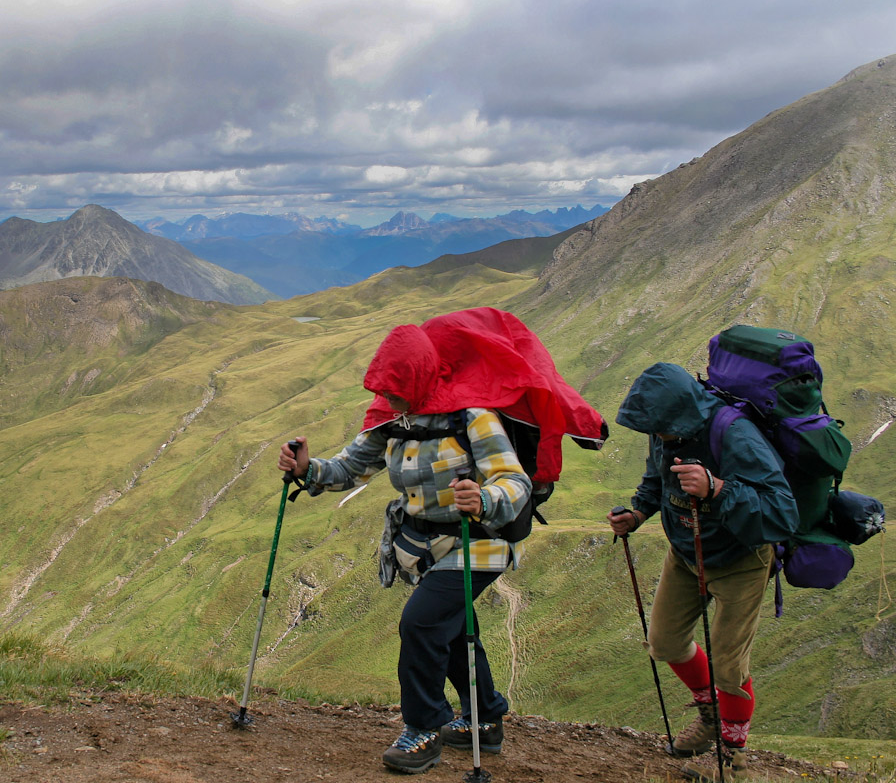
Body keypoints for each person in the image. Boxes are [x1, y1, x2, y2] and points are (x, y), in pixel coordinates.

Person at [277, 309, 605, 775]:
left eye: (395, 389)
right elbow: (352, 468)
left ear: (419, 377)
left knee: (421, 624)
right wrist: (307, 470)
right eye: (384, 390)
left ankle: (424, 730)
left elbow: (515, 482)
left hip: (480, 541)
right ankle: (485, 720)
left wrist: (485, 497)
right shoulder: (392, 417)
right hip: (426, 546)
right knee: (450, 633)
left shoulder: (473, 416)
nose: (388, 398)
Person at [608, 362, 799, 783]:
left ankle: (734, 757)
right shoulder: (666, 431)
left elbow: (783, 513)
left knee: (730, 667)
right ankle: (712, 717)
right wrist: (638, 512)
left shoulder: (735, 436)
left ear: (679, 413)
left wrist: (717, 488)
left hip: (740, 560)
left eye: (659, 429)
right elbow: (657, 480)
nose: (655, 437)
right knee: (664, 642)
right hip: (685, 553)